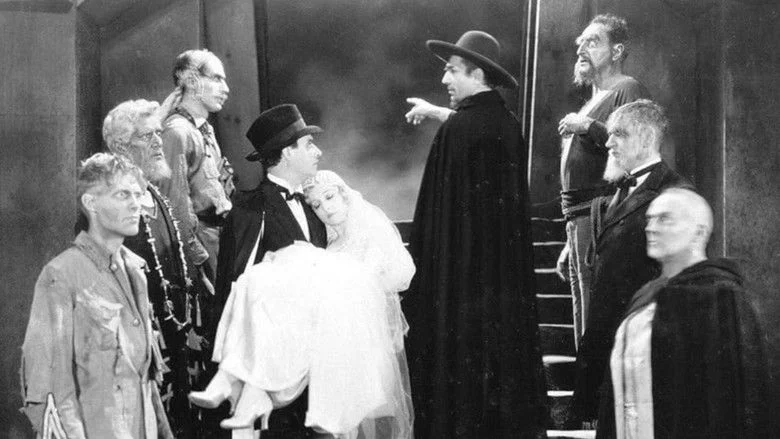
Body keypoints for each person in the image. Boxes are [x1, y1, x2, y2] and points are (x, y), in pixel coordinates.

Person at [191, 170, 414, 438]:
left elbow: (401, 274)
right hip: (323, 334)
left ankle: (249, 390)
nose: (325, 209)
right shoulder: (327, 242)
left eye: (330, 197)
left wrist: (351, 282)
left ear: (345, 195)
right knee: (263, 277)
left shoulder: (371, 231)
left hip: (354, 333)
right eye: (316, 205)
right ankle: (246, 388)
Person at [403, 30, 547, 438]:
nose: (444, 79)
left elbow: (436, 219)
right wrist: (438, 112)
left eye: (452, 70)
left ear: (477, 73)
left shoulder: (459, 131)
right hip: (500, 288)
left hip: (460, 289)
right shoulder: (507, 125)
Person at [20, 153, 173, 438]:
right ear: (91, 203)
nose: (135, 204)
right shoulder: (61, 275)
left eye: (137, 195)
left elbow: (147, 381)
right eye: (122, 194)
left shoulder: (136, 271)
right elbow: (50, 391)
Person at [597, 188, 770, 438]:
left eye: (664, 219)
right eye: (649, 219)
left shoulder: (721, 297)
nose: (650, 228)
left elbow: (730, 406)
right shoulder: (646, 295)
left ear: (699, 232)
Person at [570, 100, 692, 424]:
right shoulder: (618, 191)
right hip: (608, 340)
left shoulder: (675, 192)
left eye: (618, 134)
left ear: (646, 138)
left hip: (641, 345)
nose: (608, 143)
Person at [211, 103, 328, 437]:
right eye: (308, 145)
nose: (318, 152)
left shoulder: (315, 206)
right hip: (271, 368)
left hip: (316, 360)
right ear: (287, 153)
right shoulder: (250, 209)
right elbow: (234, 291)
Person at [101, 99, 206, 437]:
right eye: (148, 136)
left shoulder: (155, 195)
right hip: (139, 349)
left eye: (159, 133)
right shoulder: (107, 202)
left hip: (174, 340)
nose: (159, 142)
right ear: (121, 147)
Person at [554, 14, 650, 347]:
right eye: (580, 42)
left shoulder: (627, 88)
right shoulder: (595, 98)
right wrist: (570, 242)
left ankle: (596, 380)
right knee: (584, 312)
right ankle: (587, 379)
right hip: (579, 218)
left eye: (593, 42)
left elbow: (636, 148)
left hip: (601, 216)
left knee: (597, 314)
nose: (581, 48)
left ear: (617, 51)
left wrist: (587, 127)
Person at [158, 48, 235, 285]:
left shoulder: (204, 129)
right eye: (216, 79)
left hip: (218, 243)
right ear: (192, 82)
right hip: (201, 252)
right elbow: (175, 208)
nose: (225, 88)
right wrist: (196, 265)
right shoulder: (178, 132)